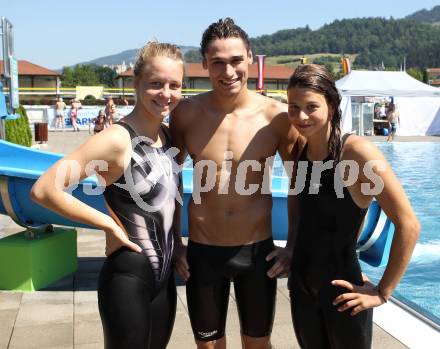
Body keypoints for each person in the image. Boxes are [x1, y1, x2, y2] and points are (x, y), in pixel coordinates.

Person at [31, 41, 185, 349]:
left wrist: (178, 244)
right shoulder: (117, 138)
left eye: (174, 85)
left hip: (164, 278)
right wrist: (108, 225)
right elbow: (45, 188)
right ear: (136, 83)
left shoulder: (167, 136)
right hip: (127, 277)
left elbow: (172, 196)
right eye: (155, 84)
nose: (166, 93)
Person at [170, 18, 299, 349]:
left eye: (236, 60)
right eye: (218, 63)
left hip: (257, 253)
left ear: (250, 59)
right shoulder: (186, 113)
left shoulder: (276, 117)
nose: (228, 72)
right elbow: (167, 179)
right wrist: (176, 242)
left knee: (258, 345)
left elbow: (301, 183)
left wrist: (293, 246)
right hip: (203, 252)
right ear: (205, 65)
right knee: (209, 347)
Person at [286, 64, 420, 348]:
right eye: (293, 107)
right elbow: (300, 207)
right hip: (300, 288)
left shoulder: (356, 153)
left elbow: (408, 224)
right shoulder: (302, 152)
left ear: (332, 106)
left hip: (344, 293)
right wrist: (290, 248)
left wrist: (383, 292)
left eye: (311, 106)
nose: (301, 116)